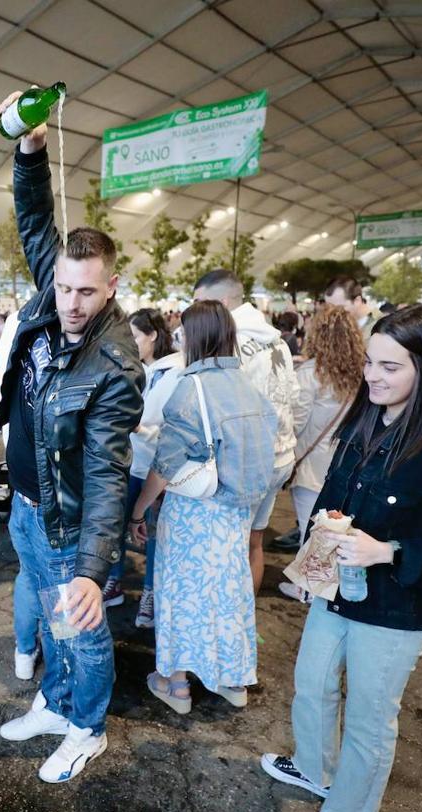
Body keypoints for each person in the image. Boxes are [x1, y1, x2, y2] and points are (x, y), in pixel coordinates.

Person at [260, 305, 422, 812]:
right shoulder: (366, 417)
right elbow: (333, 500)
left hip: (396, 609)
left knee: (368, 716)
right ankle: (318, 771)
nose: (373, 376)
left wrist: (388, 551)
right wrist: (310, 563)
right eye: (371, 362)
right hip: (335, 592)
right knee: (312, 686)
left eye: (391, 367)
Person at [0, 90, 144, 784]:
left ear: (110, 287)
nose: (71, 304)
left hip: (68, 522)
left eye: (87, 292)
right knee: (55, 626)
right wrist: (30, 147)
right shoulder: (49, 295)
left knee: (81, 630)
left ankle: (87, 727)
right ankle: (55, 704)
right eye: (63, 289)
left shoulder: (116, 364)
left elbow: (112, 473)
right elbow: (32, 217)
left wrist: (90, 568)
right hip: (25, 503)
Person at [130, 301, 276, 715]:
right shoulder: (250, 388)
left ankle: (175, 685)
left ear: (195, 337)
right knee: (228, 594)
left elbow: (164, 465)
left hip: (194, 513)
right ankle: (233, 679)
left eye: (182, 334)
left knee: (179, 595)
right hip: (236, 513)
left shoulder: (190, 389)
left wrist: (139, 509)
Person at [193, 270, 300, 597]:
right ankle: (243, 619)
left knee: (224, 547)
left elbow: (219, 406)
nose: (193, 312)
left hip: (245, 462)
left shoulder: (230, 339)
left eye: (199, 303)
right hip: (280, 455)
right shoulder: (277, 339)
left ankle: (226, 621)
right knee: (254, 541)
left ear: (222, 302)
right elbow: (293, 394)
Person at [276, 306, 364, 601]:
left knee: (312, 529)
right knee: (335, 528)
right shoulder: (359, 374)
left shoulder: (311, 374)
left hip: (312, 465)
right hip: (346, 464)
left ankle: (308, 591)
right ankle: (321, 585)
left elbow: (295, 423)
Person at [100, 308, 182, 626]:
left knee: (153, 534)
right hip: (130, 462)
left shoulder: (173, 372)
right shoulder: (144, 368)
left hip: (156, 468)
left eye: (135, 336)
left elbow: (171, 426)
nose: (130, 343)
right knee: (118, 525)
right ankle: (115, 581)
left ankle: (150, 593)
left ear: (152, 335)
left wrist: (136, 426)